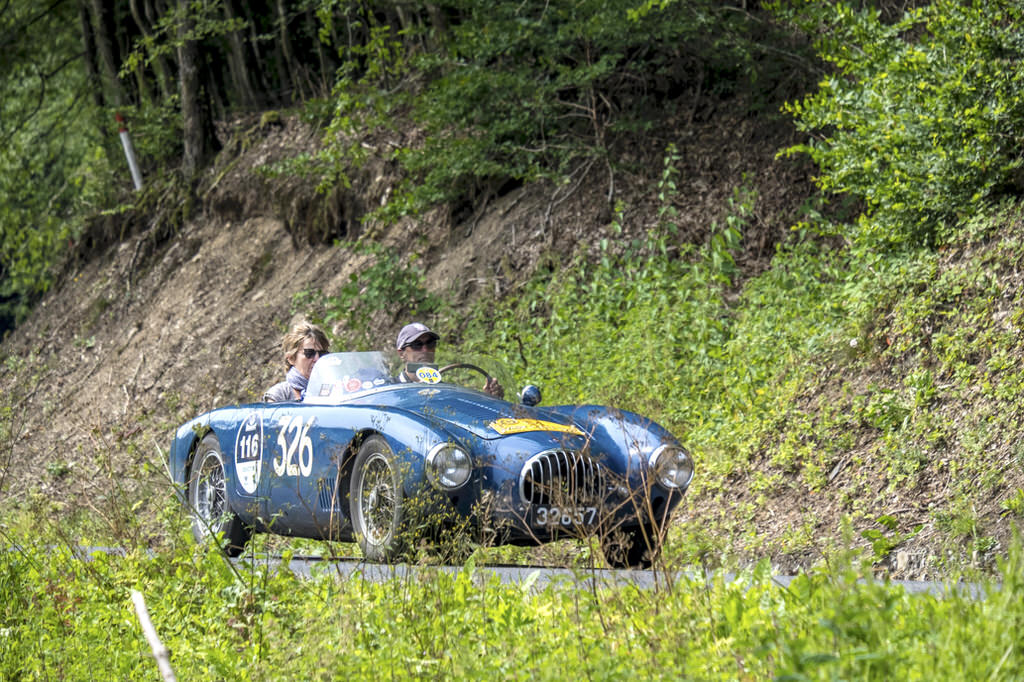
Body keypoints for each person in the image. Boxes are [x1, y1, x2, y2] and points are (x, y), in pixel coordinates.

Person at [395, 322, 504, 398]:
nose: (425, 350)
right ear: (401, 354)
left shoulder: (446, 390)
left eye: (431, 343)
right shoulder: (392, 390)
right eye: (417, 345)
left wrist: (489, 399)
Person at [263, 321, 329, 402]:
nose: (317, 359)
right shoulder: (279, 395)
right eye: (309, 353)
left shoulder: (333, 390)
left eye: (322, 354)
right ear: (291, 358)